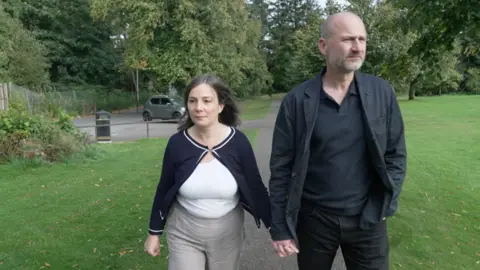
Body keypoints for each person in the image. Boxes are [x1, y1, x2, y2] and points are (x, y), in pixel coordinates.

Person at [268, 11, 407, 270]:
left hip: (368, 219)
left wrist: (384, 203)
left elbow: (396, 156)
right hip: (314, 222)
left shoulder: (382, 93)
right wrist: (280, 227)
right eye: (347, 40)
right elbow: (281, 169)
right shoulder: (297, 101)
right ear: (323, 46)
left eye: (362, 39)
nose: (357, 47)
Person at [143, 74, 271, 270]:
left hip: (227, 233)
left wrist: (276, 228)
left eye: (206, 101)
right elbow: (164, 188)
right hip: (184, 230)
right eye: (192, 101)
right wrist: (154, 233)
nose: (198, 107)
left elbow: (256, 188)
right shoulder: (177, 144)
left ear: (220, 106)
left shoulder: (238, 142)